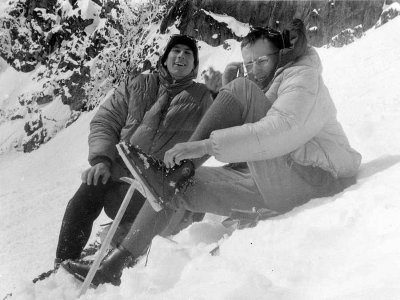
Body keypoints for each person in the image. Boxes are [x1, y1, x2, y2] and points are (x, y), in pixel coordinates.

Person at [61, 20, 361, 286]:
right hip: (274, 182)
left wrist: (205, 142)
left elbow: (279, 131)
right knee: (174, 185)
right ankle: (116, 265)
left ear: (281, 54)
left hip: (314, 177)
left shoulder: (302, 76)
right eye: (249, 63)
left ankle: (176, 171)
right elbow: (106, 120)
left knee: (181, 165)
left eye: (261, 61)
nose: (255, 69)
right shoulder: (140, 84)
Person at [55, 35, 213, 268]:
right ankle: (63, 263)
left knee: (145, 228)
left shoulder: (202, 97)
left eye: (188, 53)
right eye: (176, 51)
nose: (181, 56)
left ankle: (121, 250)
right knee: (89, 186)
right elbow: (105, 121)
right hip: (119, 175)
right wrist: (101, 159)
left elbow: (218, 127)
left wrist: (217, 95)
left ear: (195, 66)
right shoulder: (136, 84)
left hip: (157, 186)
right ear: (165, 58)